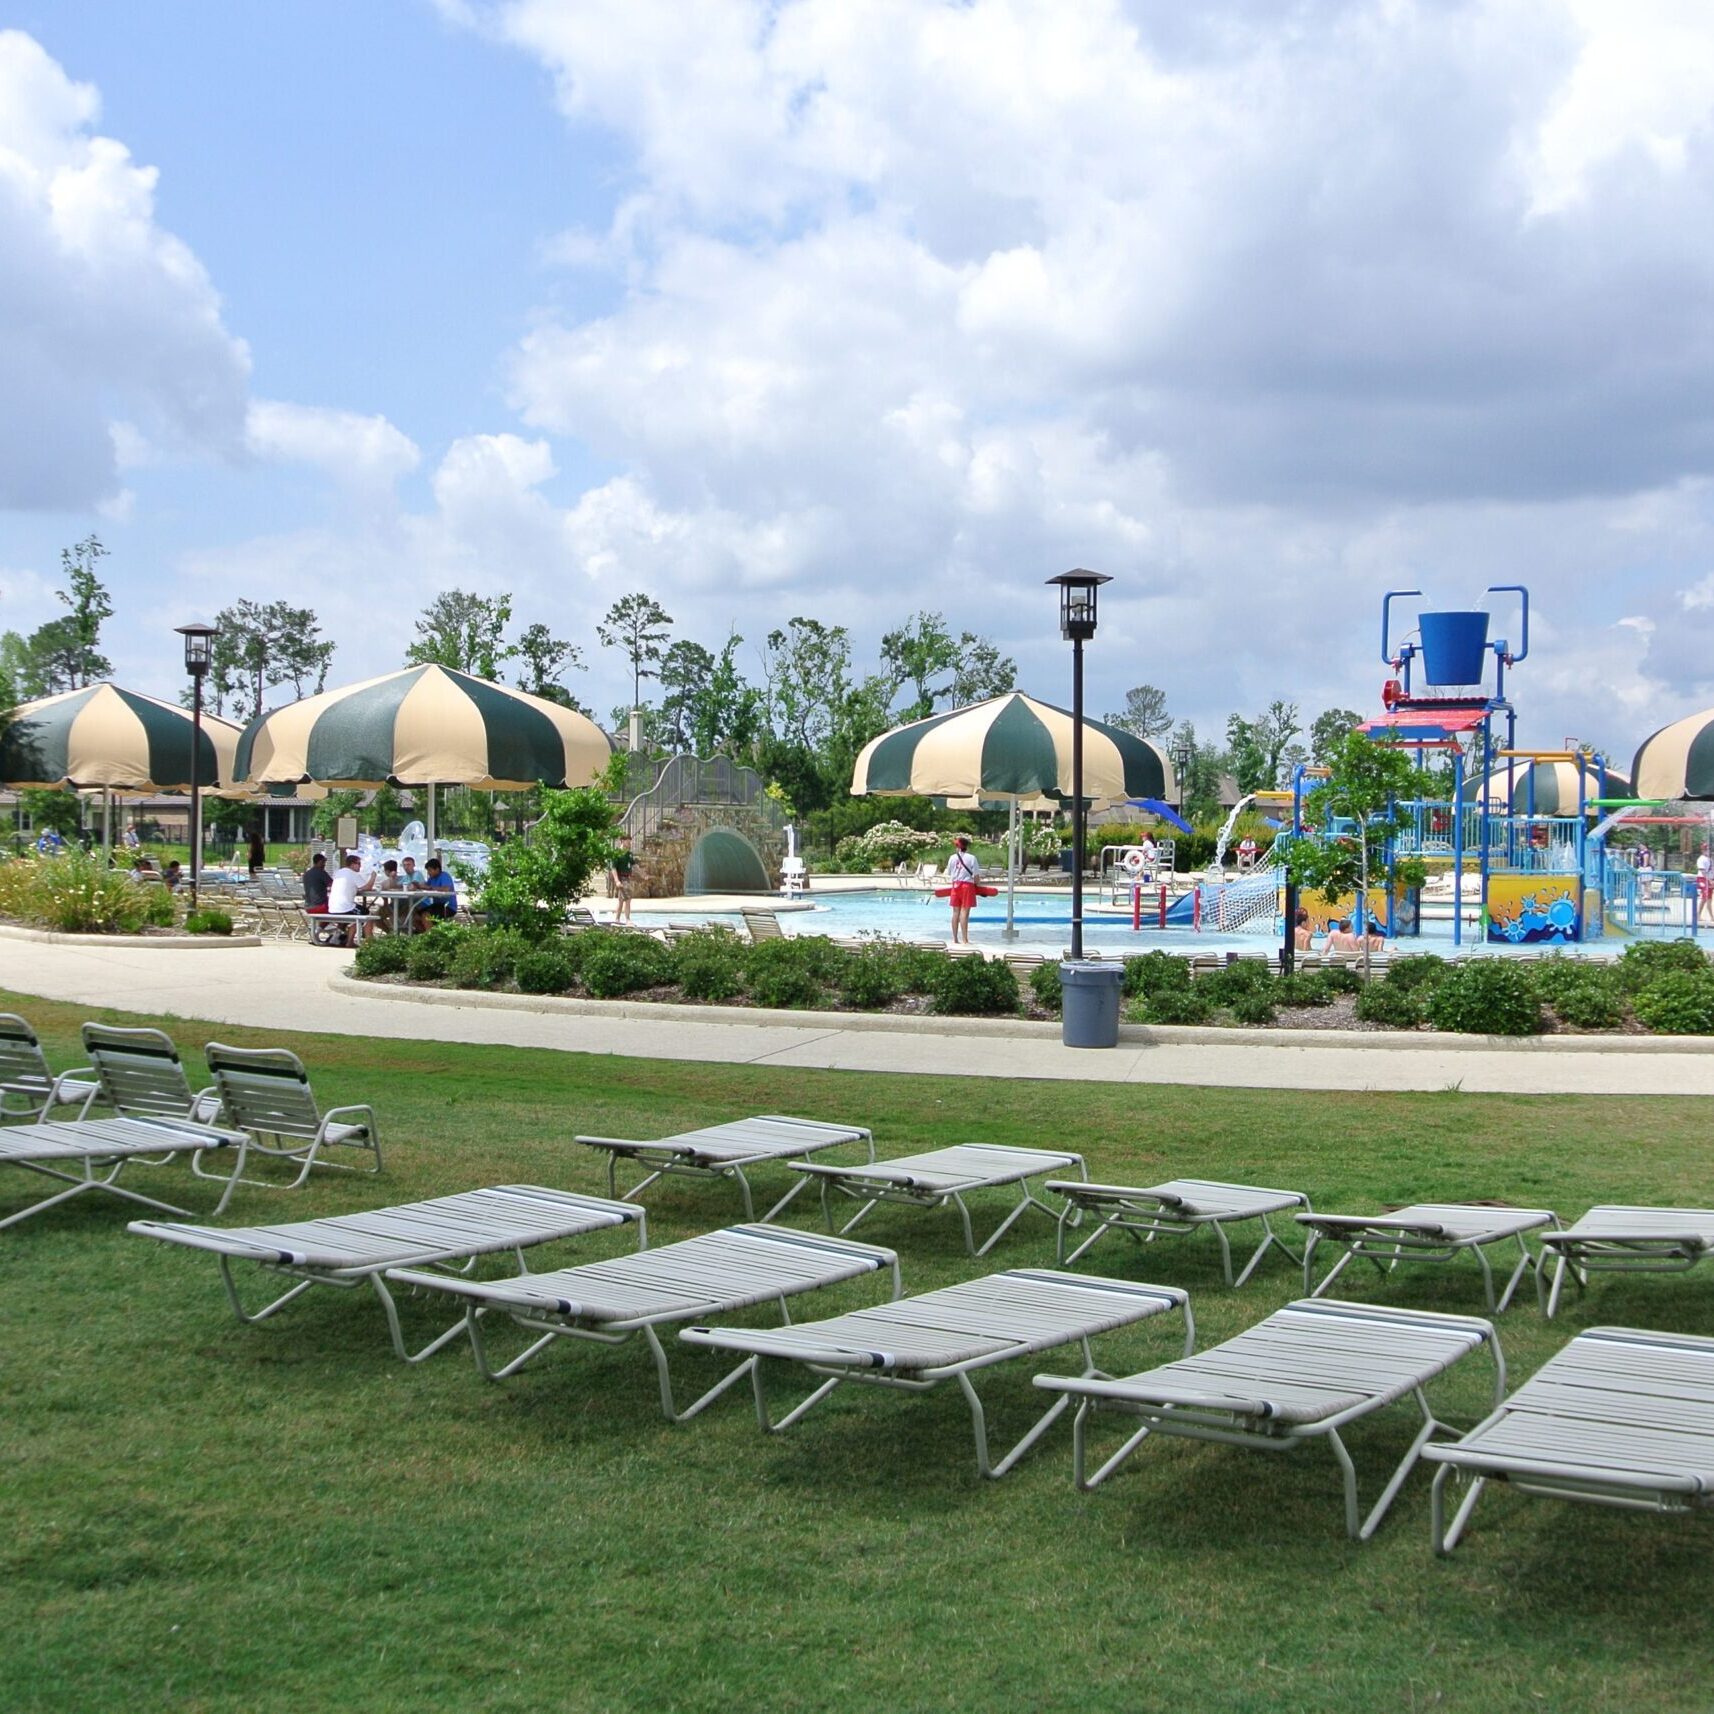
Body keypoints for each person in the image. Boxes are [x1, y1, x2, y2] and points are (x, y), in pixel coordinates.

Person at [326, 853, 375, 944]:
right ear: (352, 864)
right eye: (359, 864)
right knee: (369, 915)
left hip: (332, 908)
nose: (360, 866)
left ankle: (349, 942)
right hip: (345, 908)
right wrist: (373, 877)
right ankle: (370, 942)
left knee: (356, 916)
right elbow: (368, 887)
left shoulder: (339, 872)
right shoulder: (353, 874)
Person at [945, 834, 981, 945]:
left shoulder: (952, 858)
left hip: (955, 885)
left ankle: (955, 939)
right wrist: (977, 884)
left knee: (955, 912)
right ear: (967, 847)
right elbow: (976, 876)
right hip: (967, 886)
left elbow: (949, 873)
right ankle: (965, 939)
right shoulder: (972, 858)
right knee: (964, 912)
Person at [609, 834, 636, 925]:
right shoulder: (617, 854)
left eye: (630, 841)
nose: (629, 843)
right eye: (627, 841)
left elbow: (635, 865)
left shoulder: (629, 854)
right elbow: (613, 868)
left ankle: (616, 919)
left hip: (627, 878)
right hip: (621, 878)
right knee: (628, 899)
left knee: (621, 900)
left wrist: (643, 874)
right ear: (622, 841)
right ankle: (628, 919)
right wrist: (617, 880)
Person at [421, 857, 458, 921]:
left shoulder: (444, 876)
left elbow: (446, 888)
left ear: (437, 869)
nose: (428, 872)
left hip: (448, 907)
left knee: (425, 915)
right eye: (427, 870)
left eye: (430, 870)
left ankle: (430, 930)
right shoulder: (431, 878)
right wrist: (418, 885)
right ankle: (428, 930)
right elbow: (425, 886)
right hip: (437, 905)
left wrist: (430, 887)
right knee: (416, 916)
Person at [1698, 847, 1713, 927]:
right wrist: (1709, 880)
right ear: (1702, 850)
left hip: (1708, 879)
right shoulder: (1701, 859)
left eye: (1708, 849)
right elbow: (1703, 871)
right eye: (1706, 849)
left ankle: (1698, 915)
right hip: (1703, 879)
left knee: (1705, 898)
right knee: (1707, 898)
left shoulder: (1708, 859)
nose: (1708, 851)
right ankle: (1712, 917)